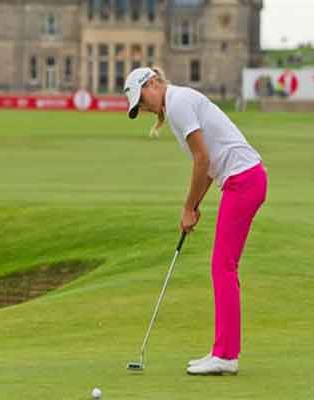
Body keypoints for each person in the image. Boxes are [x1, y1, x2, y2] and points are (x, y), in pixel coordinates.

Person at [124, 67, 268, 376]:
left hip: (244, 181)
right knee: (223, 266)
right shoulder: (177, 103)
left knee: (223, 266)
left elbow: (202, 159)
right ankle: (224, 352)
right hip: (242, 180)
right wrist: (195, 205)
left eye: (143, 99)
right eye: (139, 106)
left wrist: (189, 206)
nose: (145, 107)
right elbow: (207, 164)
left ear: (153, 82)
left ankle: (226, 355)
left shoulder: (177, 103)